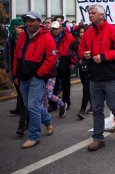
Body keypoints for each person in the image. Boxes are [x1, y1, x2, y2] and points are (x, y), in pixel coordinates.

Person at [78, 4, 115, 151]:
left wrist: (104, 57)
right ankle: (98, 138)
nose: (90, 15)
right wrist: (84, 54)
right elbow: (80, 48)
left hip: (110, 75)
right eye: (89, 13)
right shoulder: (88, 32)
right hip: (94, 76)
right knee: (97, 109)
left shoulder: (114, 30)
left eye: (93, 13)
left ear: (102, 15)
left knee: (114, 106)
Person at [13, 10, 58, 149]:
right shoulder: (22, 36)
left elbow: (51, 58)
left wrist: (39, 74)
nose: (29, 23)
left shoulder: (46, 37)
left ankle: (34, 136)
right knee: (30, 105)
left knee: (32, 106)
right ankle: (48, 121)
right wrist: (15, 75)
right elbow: (16, 55)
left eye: (32, 20)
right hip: (23, 77)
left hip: (36, 78)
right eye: (27, 21)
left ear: (39, 21)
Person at [4, 18, 27, 136]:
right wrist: (8, 70)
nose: (22, 29)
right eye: (19, 27)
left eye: (23, 27)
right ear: (14, 28)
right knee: (22, 98)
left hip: (26, 73)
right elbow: (7, 56)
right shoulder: (10, 41)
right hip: (15, 74)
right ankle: (28, 121)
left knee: (23, 99)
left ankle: (21, 125)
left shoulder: (27, 39)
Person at [49, 21, 75, 112]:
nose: (55, 31)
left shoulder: (69, 37)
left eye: (56, 29)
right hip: (53, 62)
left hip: (65, 60)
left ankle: (66, 102)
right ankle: (53, 104)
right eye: (53, 29)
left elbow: (73, 50)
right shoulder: (49, 36)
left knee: (66, 84)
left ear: (61, 28)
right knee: (53, 85)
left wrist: (72, 62)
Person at [69, 26, 92, 120]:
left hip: (90, 68)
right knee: (86, 88)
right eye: (81, 32)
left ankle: (82, 110)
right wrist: (76, 57)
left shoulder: (90, 41)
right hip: (81, 69)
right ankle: (93, 105)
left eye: (84, 32)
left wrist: (87, 58)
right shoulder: (76, 42)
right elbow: (70, 49)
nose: (82, 34)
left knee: (86, 89)